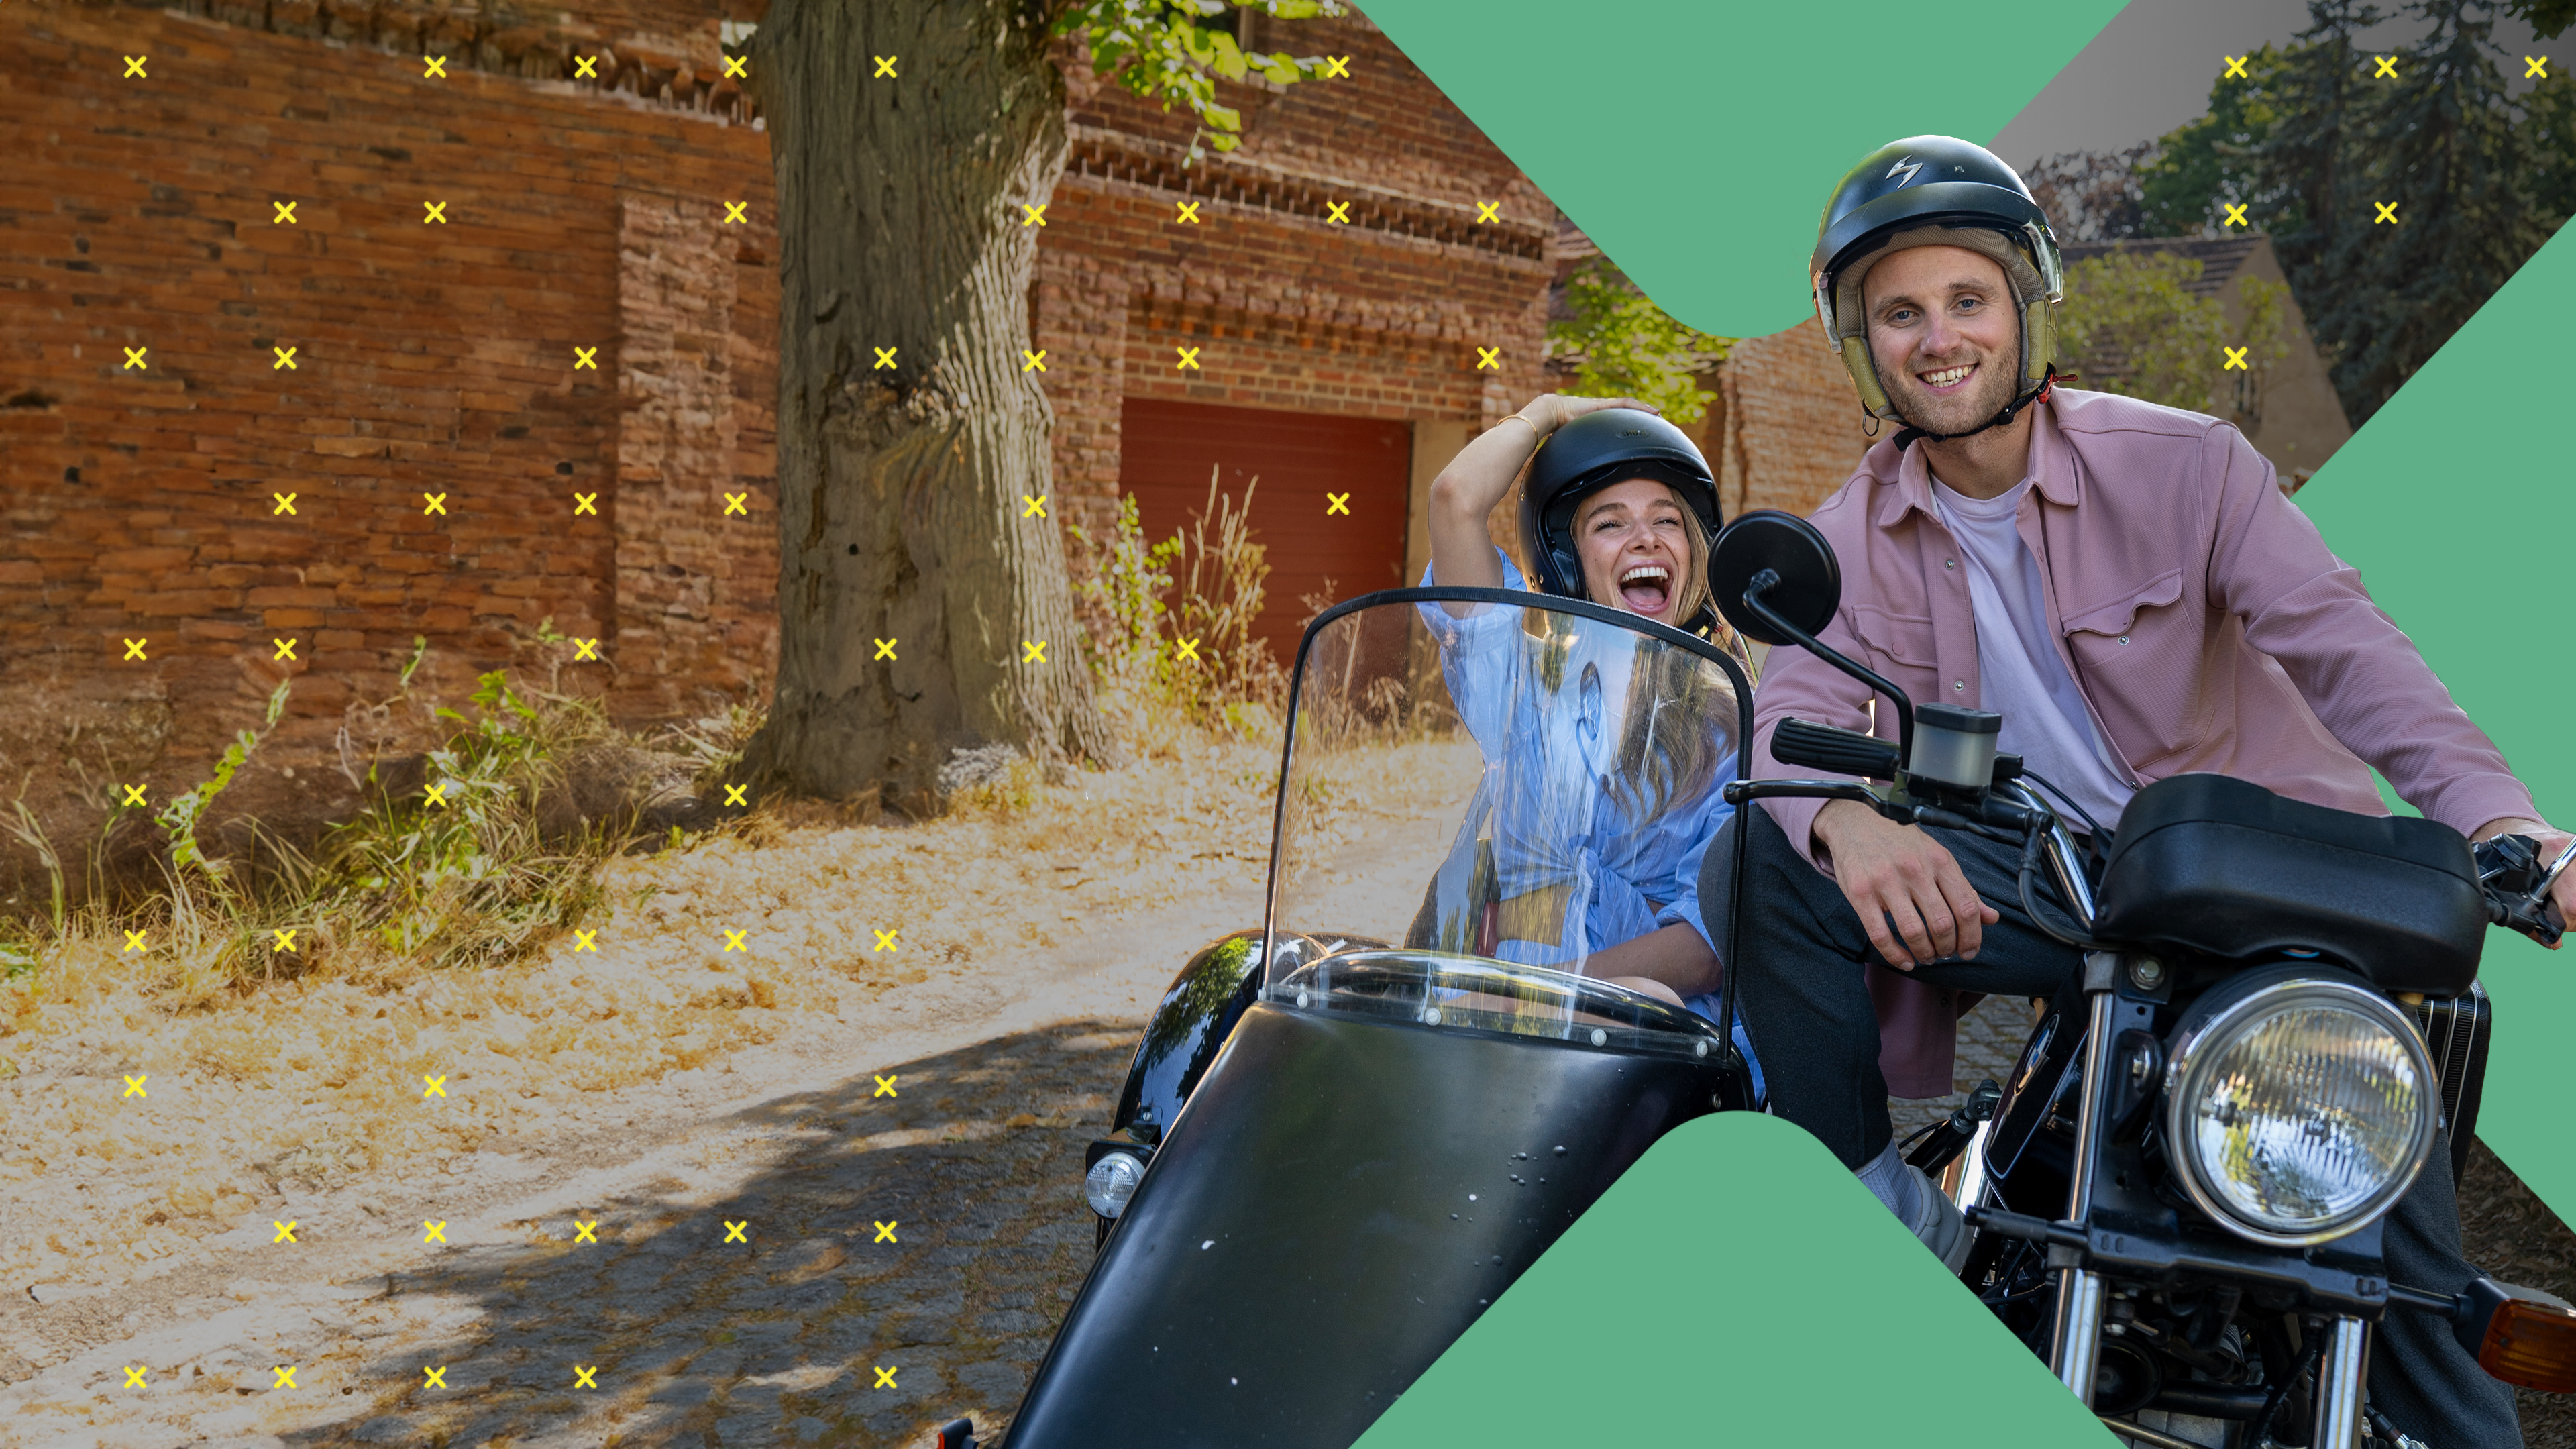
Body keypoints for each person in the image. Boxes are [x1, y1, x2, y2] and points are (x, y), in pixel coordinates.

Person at [1697, 133, 2576, 1444]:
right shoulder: (1848, 539)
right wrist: (1843, 818)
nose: (1939, 338)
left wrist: (2513, 828)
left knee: (2378, 1183)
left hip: (2235, 885)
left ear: (2023, 310)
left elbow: (2352, 652)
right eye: (1899, 312)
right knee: (1760, 844)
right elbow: (1789, 717)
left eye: (1966, 300)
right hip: (2033, 879)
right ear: (1862, 343)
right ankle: (1878, 1208)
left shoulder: (2189, 465)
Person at [1414, 393, 1750, 1034]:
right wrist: (1547, 412)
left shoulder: (1730, 721)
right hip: (1493, 1025)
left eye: (1667, 520)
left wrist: (1536, 997)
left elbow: (1703, 950)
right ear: (1568, 561)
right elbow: (1455, 499)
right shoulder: (1519, 682)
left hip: (1641, 1036)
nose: (1645, 538)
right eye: (1610, 523)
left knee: (1649, 997)